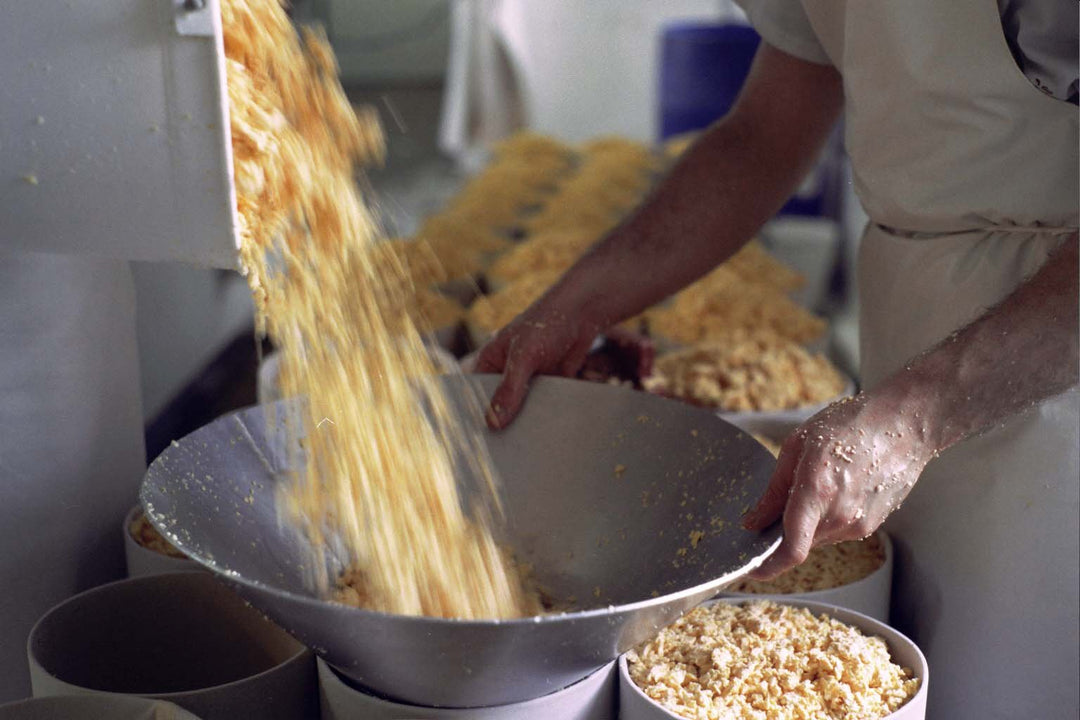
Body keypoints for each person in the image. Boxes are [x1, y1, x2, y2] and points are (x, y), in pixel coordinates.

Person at [475, 1, 1078, 717]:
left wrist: (915, 419)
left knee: (1019, 680)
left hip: (1049, 358)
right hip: (910, 327)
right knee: (920, 656)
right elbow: (761, 135)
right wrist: (575, 304)